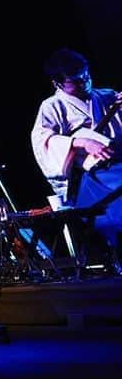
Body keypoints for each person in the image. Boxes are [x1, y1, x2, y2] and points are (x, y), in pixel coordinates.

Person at [31, 47, 122, 270]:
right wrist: (78, 142)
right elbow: (43, 143)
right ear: (57, 83)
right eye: (77, 81)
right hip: (88, 180)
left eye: (86, 77)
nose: (85, 84)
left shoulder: (107, 96)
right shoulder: (52, 107)